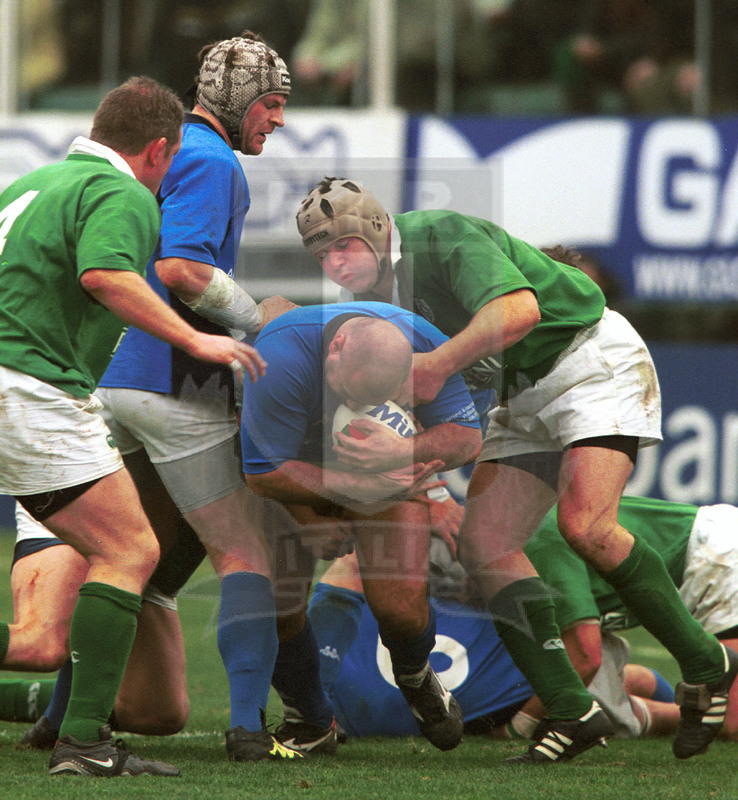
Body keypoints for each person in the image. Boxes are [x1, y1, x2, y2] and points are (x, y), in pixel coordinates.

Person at [295, 177, 738, 764]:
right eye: (322, 254)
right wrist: (405, 465)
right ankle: (571, 710)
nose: (335, 263)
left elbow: (522, 309)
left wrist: (435, 366)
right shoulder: (372, 307)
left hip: (588, 361)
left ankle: (707, 662)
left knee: (586, 527)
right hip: (521, 393)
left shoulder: (437, 236)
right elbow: (435, 419)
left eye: (343, 246)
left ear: (377, 228)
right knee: (484, 544)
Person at [0, 75, 266, 778]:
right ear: (159, 151)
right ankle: (83, 742)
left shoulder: (31, 186)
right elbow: (106, 278)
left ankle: (76, 730)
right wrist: (198, 340)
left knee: (75, 597)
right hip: (31, 391)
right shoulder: (120, 192)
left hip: (19, 387)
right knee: (129, 550)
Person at [63, 31, 300, 765]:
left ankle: (66, 720)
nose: (279, 121)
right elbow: (180, 268)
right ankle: (249, 729)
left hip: (112, 377)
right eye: (270, 104)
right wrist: (257, 318)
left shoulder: (171, 155)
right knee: (247, 548)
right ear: (235, 104)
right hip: (171, 377)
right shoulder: (210, 158)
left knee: (130, 558)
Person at [240, 302, 481, 753]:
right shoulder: (282, 355)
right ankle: (310, 718)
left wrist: (397, 456)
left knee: (401, 610)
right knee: (275, 599)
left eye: (369, 397)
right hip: (297, 464)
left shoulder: (427, 347)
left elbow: (467, 438)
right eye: (343, 389)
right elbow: (260, 471)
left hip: (387, 471)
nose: (351, 404)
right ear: (335, 347)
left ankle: (414, 675)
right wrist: (313, 511)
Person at [307, 529, 678, 743]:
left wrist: (518, 728)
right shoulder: (359, 606)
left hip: (535, 670)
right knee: (625, 686)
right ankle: (675, 701)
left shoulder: (332, 666)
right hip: (540, 664)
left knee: (616, 682)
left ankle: (670, 699)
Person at [8, 450, 207, 749]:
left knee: (158, 714)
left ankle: (28, 704)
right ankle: (74, 736)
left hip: (142, 553)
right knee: (43, 645)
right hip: (78, 483)